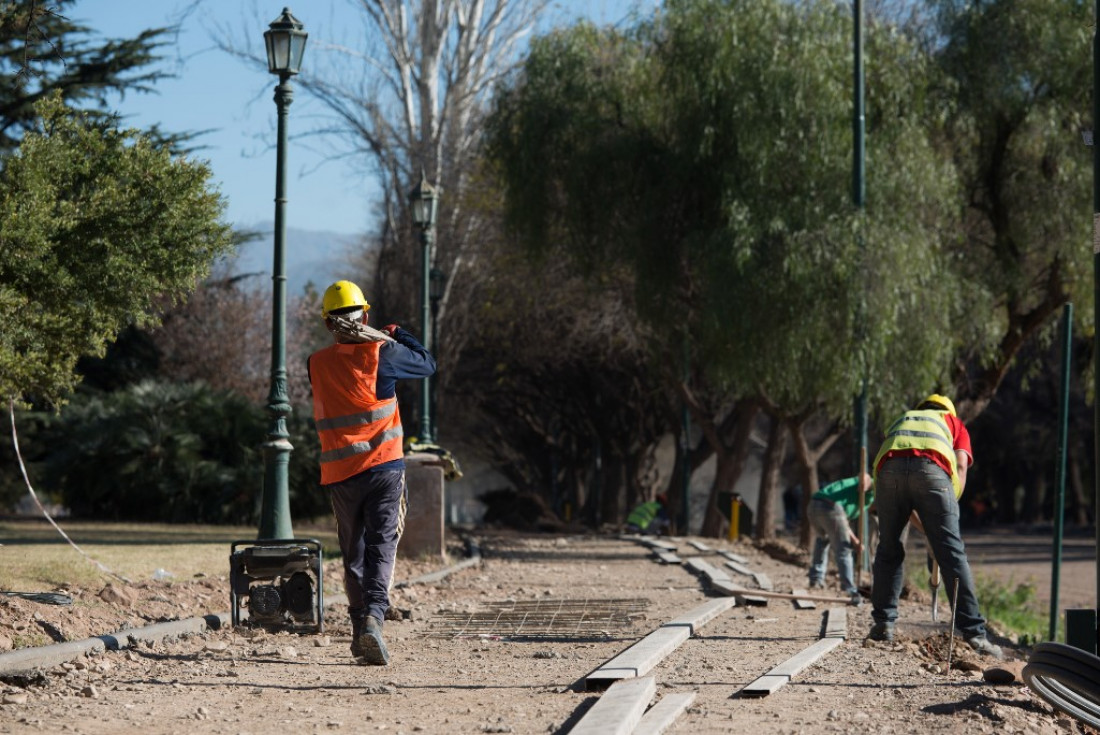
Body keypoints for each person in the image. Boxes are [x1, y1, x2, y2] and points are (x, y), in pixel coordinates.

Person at [307, 280, 436, 666]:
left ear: (329, 324)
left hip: (340, 472)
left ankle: (357, 626)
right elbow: (427, 364)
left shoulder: (316, 362)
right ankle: (374, 621)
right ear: (364, 315)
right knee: (382, 544)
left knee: (354, 551)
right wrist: (397, 333)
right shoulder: (385, 354)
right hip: (383, 467)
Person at [867, 393, 1003, 659]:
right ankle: (974, 633)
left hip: (888, 470)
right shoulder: (954, 423)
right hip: (932, 469)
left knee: (889, 548)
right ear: (948, 410)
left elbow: (902, 470)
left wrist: (929, 528)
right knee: (952, 554)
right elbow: (960, 466)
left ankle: (884, 624)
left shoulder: (904, 419)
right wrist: (946, 518)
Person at [807, 472, 873, 604]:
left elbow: (842, 524)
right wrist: (865, 483)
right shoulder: (875, 489)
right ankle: (849, 588)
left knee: (822, 541)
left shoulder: (859, 502)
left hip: (814, 505)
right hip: (830, 506)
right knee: (844, 549)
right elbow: (865, 476)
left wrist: (855, 541)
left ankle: (816, 580)